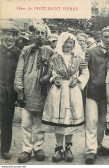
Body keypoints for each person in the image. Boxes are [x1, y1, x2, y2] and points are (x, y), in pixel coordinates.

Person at [41, 32, 89, 162]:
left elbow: (85, 74)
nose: (68, 45)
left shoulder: (79, 58)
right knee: (59, 120)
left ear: (74, 45)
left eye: (70, 43)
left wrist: (78, 80)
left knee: (70, 120)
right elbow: (50, 73)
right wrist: (53, 79)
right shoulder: (55, 58)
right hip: (58, 91)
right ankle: (59, 148)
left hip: (73, 91)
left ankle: (68, 148)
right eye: (66, 42)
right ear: (61, 43)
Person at [14, 24, 54, 163]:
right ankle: (26, 149)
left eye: (43, 33)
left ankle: (38, 148)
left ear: (46, 36)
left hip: (41, 91)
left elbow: (52, 69)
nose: (40, 36)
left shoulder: (49, 51)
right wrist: (19, 89)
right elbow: (19, 70)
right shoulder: (26, 50)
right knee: (25, 123)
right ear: (33, 35)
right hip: (27, 90)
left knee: (39, 123)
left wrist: (48, 76)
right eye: (37, 33)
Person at [83, 28, 109, 164]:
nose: (108, 40)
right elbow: (83, 69)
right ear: (101, 37)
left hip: (107, 93)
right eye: (105, 37)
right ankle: (90, 151)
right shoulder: (91, 51)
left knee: (102, 122)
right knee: (92, 121)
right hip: (92, 91)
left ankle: (98, 146)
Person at [0, 22, 21, 160]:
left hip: (9, 95)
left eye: (13, 35)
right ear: (2, 35)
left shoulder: (19, 53)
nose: (10, 37)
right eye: (8, 34)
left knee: (7, 122)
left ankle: (5, 149)